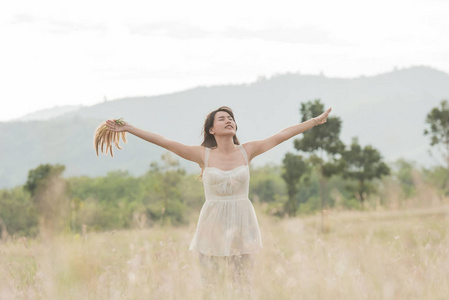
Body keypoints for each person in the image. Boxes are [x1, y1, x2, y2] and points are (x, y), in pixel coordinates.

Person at [106, 105, 331, 296]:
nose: (228, 121)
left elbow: (281, 135)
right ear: (211, 129)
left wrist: (315, 121)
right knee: (211, 286)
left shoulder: (247, 151)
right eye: (222, 118)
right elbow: (165, 142)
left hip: (243, 223)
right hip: (211, 226)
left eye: (231, 118)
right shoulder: (202, 154)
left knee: (243, 285)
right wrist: (128, 128)